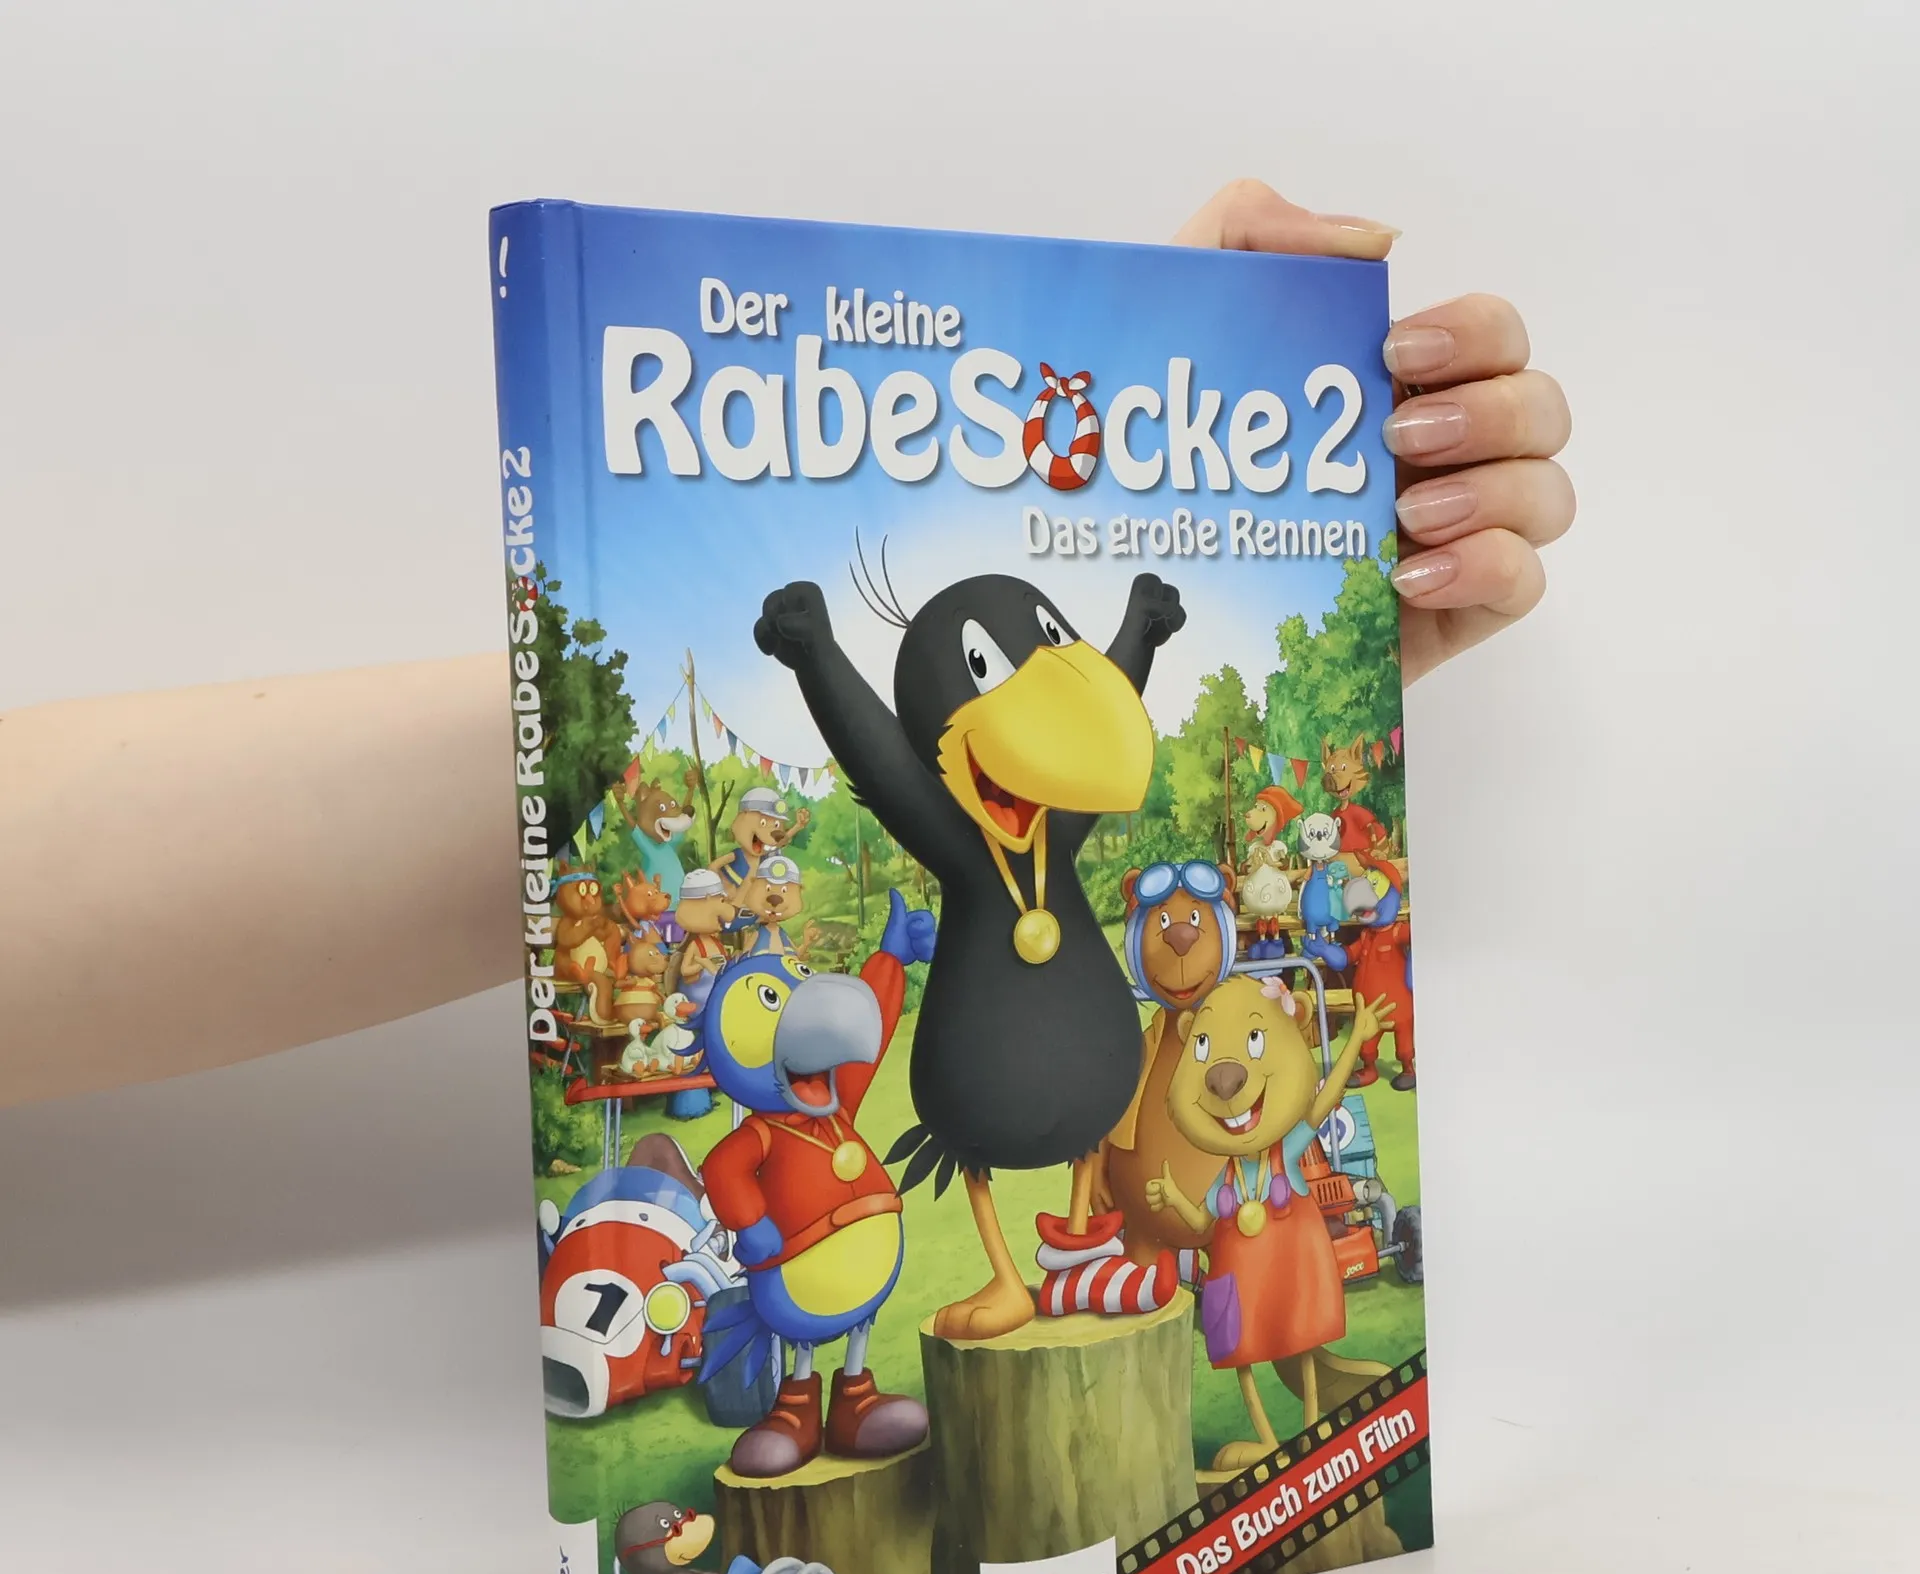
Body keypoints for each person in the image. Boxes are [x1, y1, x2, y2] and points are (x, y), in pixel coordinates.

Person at [0, 180, 1574, 1111]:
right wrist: (819, 654)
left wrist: (1202, 479)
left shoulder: (1054, 832)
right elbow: (884, 758)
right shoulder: (959, 840)